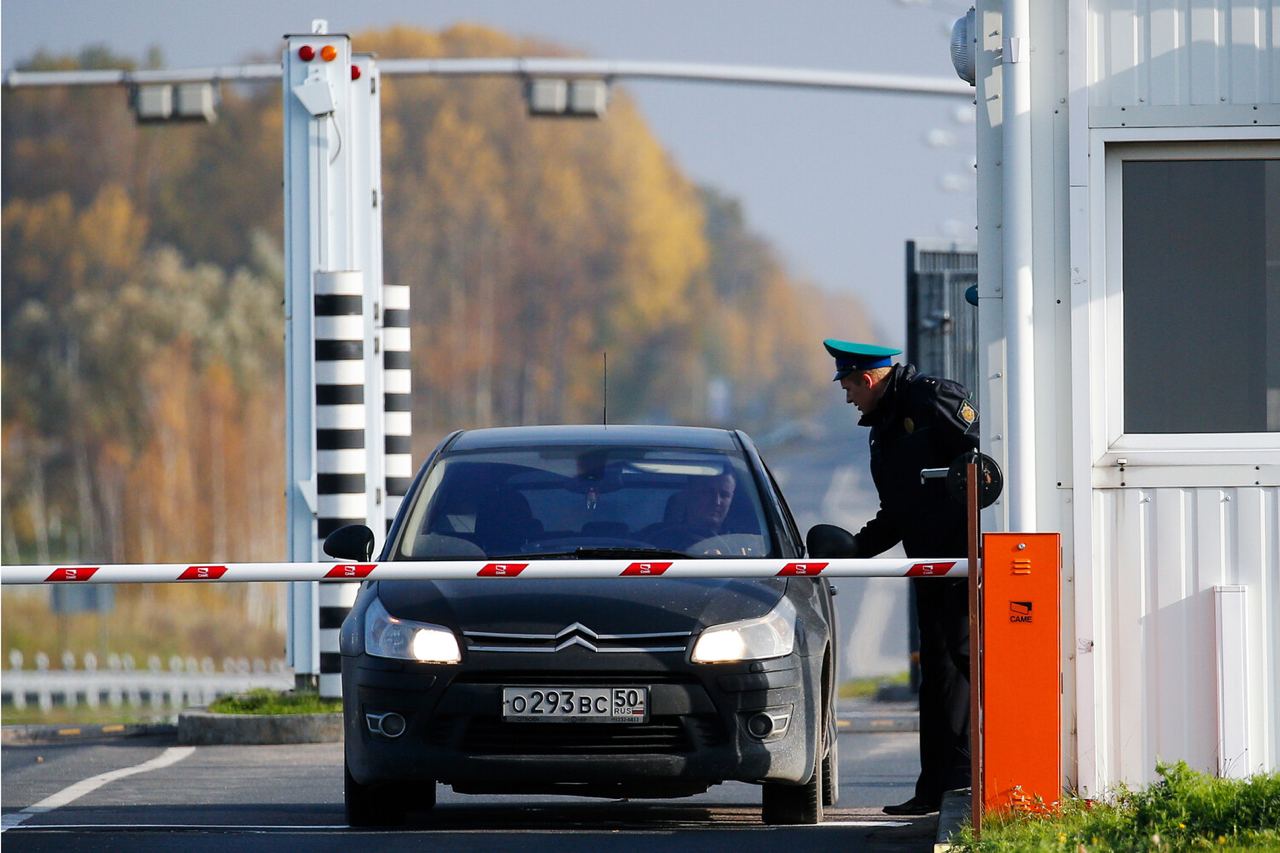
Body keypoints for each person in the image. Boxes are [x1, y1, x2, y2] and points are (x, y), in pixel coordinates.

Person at [820, 337, 978, 816]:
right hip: (930, 567)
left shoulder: (935, 400)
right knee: (937, 677)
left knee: (964, 670)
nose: (848, 397)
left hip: (965, 563)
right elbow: (899, 510)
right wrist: (856, 549)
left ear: (866, 379)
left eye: (849, 386)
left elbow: (988, 461)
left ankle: (970, 780)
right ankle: (936, 788)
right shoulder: (884, 426)